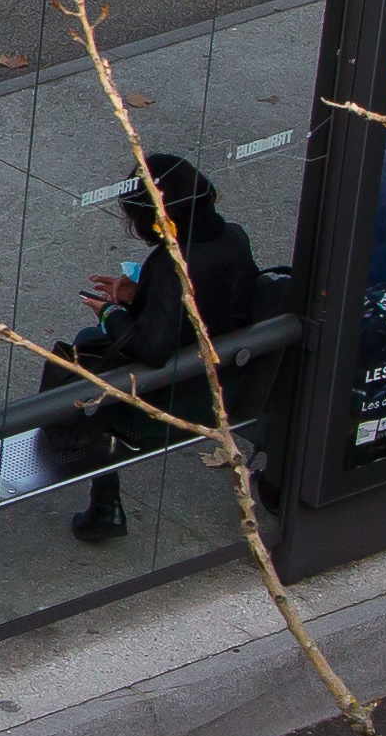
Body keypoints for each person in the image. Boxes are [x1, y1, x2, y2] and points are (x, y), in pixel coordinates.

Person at [58, 153, 271, 542]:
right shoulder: (233, 237)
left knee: (87, 351)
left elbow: (152, 348)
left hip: (183, 398)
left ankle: (105, 504)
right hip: (236, 384)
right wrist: (140, 297)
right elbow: (208, 306)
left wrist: (109, 314)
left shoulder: (173, 262)